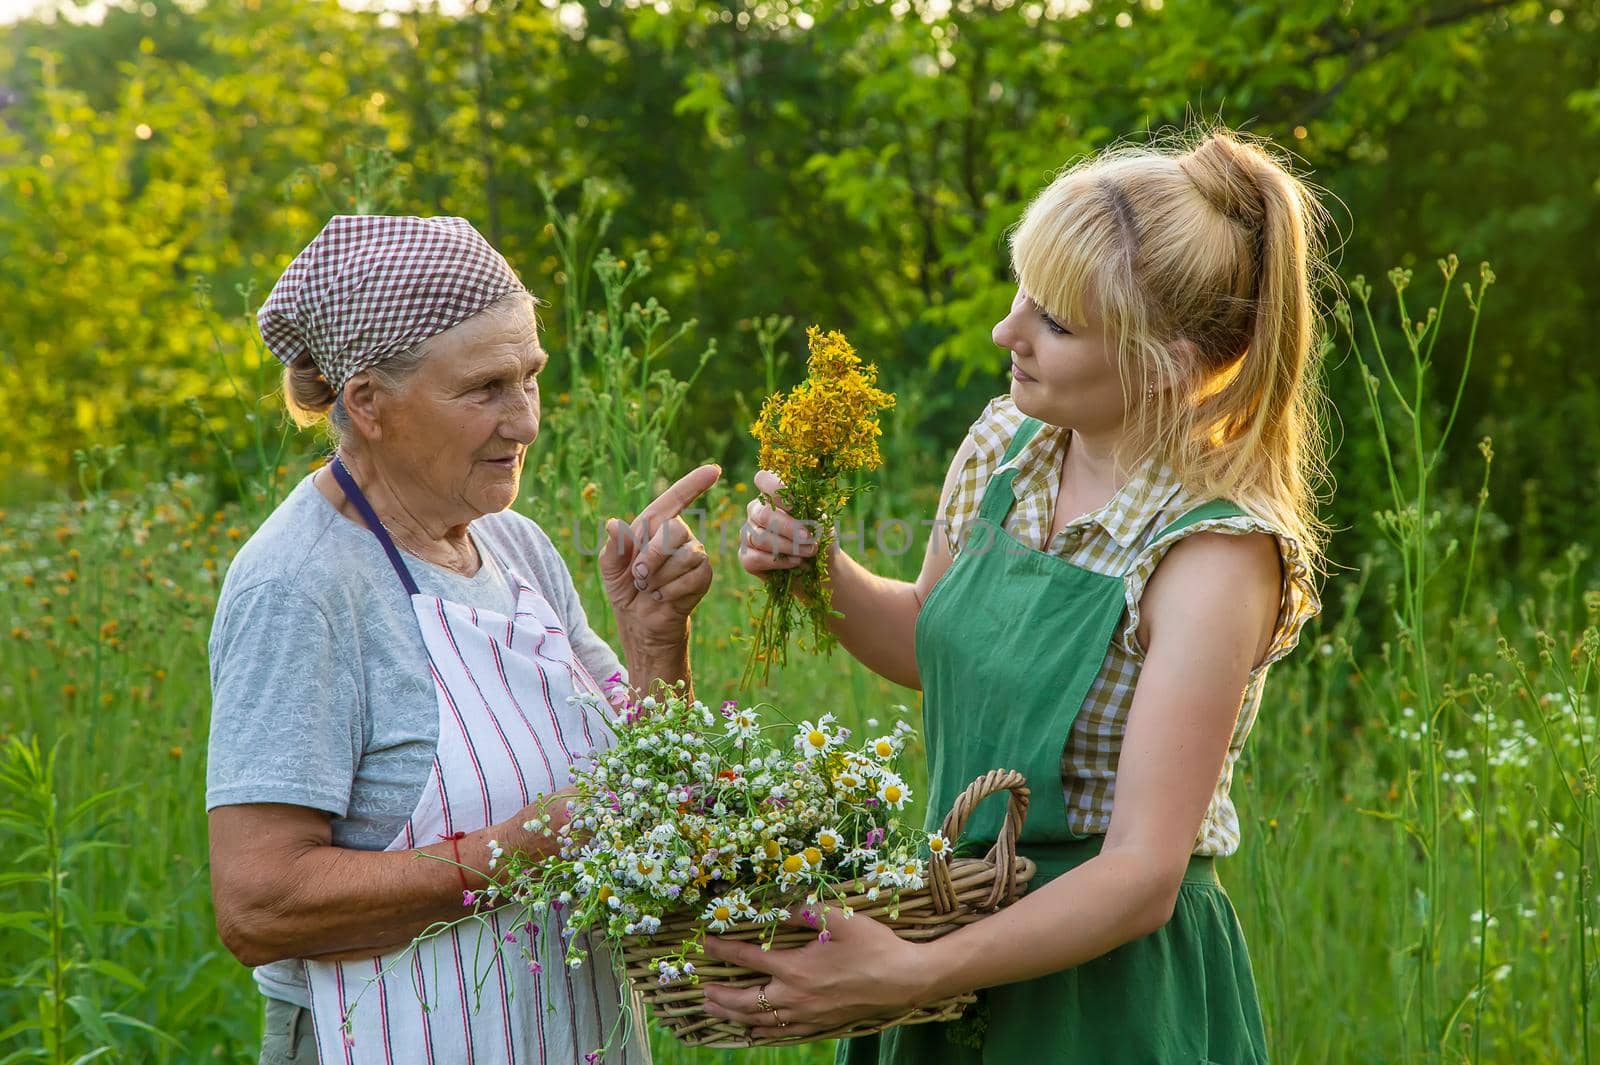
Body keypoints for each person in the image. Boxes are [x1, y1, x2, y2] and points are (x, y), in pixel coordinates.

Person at [709, 129, 1327, 1064]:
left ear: (1168, 361)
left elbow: (1140, 877)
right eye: (1023, 293)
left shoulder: (1213, 553)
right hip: (944, 924)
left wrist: (912, 973)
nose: (1009, 333)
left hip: (1101, 996)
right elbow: (930, 641)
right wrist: (818, 569)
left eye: (1058, 322)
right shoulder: (1009, 443)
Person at [206, 214, 716, 1064]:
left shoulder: (514, 545)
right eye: (484, 389)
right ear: (368, 404)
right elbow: (259, 905)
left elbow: (650, 800)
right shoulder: (301, 586)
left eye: (532, 378)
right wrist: (520, 848)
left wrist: (658, 643)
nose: (524, 420)